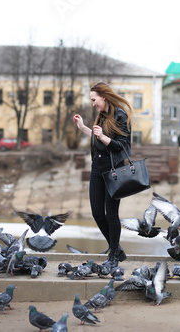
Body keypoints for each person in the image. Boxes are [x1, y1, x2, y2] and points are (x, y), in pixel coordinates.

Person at [73, 82, 133, 267]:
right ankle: (117, 249)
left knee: (111, 215)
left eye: (94, 99)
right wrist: (83, 127)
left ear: (104, 97)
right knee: (97, 213)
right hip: (97, 168)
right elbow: (97, 138)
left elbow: (123, 146)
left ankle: (114, 254)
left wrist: (104, 137)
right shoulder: (102, 115)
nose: (93, 104)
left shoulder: (120, 115)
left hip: (113, 170)